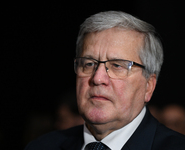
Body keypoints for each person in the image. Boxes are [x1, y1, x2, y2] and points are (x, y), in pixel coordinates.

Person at [24, 11, 185, 150]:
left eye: (117, 65)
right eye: (89, 64)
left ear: (149, 86)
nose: (97, 78)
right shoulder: (41, 146)